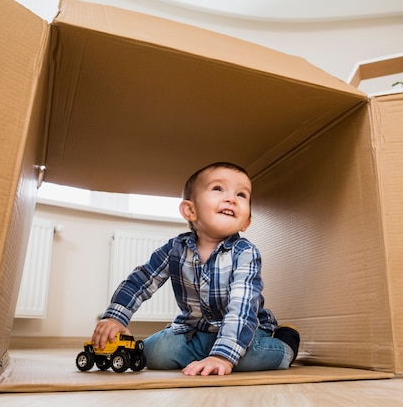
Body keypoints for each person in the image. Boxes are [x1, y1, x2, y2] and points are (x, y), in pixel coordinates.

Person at [92, 161, 299, 376]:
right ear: (190, 210)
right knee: (152, 354)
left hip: (243, 330)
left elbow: (242, 307)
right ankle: (205, 353)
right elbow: (140, 281)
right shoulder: (175, 249)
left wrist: (223, 356)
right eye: (218, 189)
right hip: (195, 331)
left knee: (250, 358)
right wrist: (115, 318)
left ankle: (286, 342)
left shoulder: (245, 252)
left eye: (241, 195)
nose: (231, 198)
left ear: (246, 221)